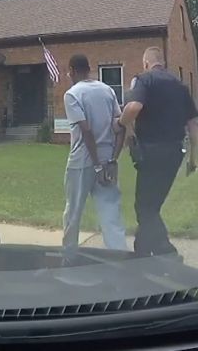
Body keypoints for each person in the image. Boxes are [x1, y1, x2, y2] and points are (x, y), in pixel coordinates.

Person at [118, 46, 198, 260]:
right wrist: (193, 158)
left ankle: (167, 252)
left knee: (145, 207)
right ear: (162, 63)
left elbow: (134, 107)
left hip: (152, 152)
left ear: (146, 63)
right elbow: (193, 124)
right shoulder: (180, 86)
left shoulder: (144, 80)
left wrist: (120, 121)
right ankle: (142, 252)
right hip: (175, 153)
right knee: (152, 204)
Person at [62, 54, 128, 265]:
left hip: (81, 162)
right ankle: (120, 259)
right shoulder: (107, 90)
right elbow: (120, 126)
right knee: (111, 213)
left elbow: (86, 130)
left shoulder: (72, 94)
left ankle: (69, 258)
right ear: (89, 69)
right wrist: (113, 159)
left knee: (73, 212)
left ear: (72, 70)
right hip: (108, 158)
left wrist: (97, 165)